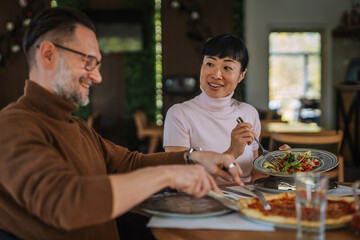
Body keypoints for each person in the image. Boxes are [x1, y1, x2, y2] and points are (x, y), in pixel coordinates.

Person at [0, 8, 243, 240]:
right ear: (48, 54)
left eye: (97, 65)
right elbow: (67, 203)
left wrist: (193, 158)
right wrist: (168, 175)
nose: (97, 76)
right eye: (88, 62)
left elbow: (130, 163)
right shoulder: (13, 126)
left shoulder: (77, 126)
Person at [163, 34, 266, 184]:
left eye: (227, 67)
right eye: (210, 64)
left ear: (241, 75)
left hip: (247, 202)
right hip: (202, 203)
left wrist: (279, 164)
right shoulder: (180, 114)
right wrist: (232, 153)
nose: (216, 75)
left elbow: (253, 175)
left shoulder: (249, 113)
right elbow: (181, 182)